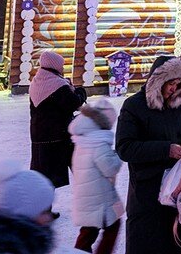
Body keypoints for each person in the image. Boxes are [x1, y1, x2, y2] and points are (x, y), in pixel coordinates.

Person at [115, 55, 181, 254]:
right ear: (158, 80)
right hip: (147, 192)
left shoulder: (178, 105)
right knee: (148, 243)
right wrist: (166, 149)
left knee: (178, 243)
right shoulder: (134, 106)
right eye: (171, 83)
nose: (174, 89)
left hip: (178, 189)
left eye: (178, 84)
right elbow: (124, 147)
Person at [29, 51, 86, 199]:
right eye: (61, 65)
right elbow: (73, 103)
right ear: (54, 65)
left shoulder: (38, 80)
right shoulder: (57, 84)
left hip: (39, 136)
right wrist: (81, 92)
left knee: (44, 178)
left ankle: (42, 209)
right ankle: (89, 198)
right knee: (80, 168)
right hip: (58, 137)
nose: (63, 68)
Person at [69, 99, 124, 254]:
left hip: (87, 195)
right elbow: (110, 169)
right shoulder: (98, 143)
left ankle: (80, 251)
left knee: (88, 231)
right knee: (113, 226)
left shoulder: (83, 139)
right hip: (99, 198)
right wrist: (118, 155)